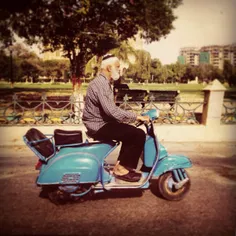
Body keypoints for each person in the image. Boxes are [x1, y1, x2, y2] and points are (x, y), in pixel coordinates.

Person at [82, 54, 150, 182]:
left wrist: (129, 118)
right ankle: (121, 169)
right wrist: (136, 116)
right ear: (108, 68)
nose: (120, 69)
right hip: (99, 125)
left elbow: (110, 110)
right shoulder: (101, 84)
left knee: (131, 132)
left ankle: (121, 165)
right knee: (138, 134)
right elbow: (111, 111)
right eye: (117, 67)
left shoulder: (104, 83)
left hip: (101, 122)